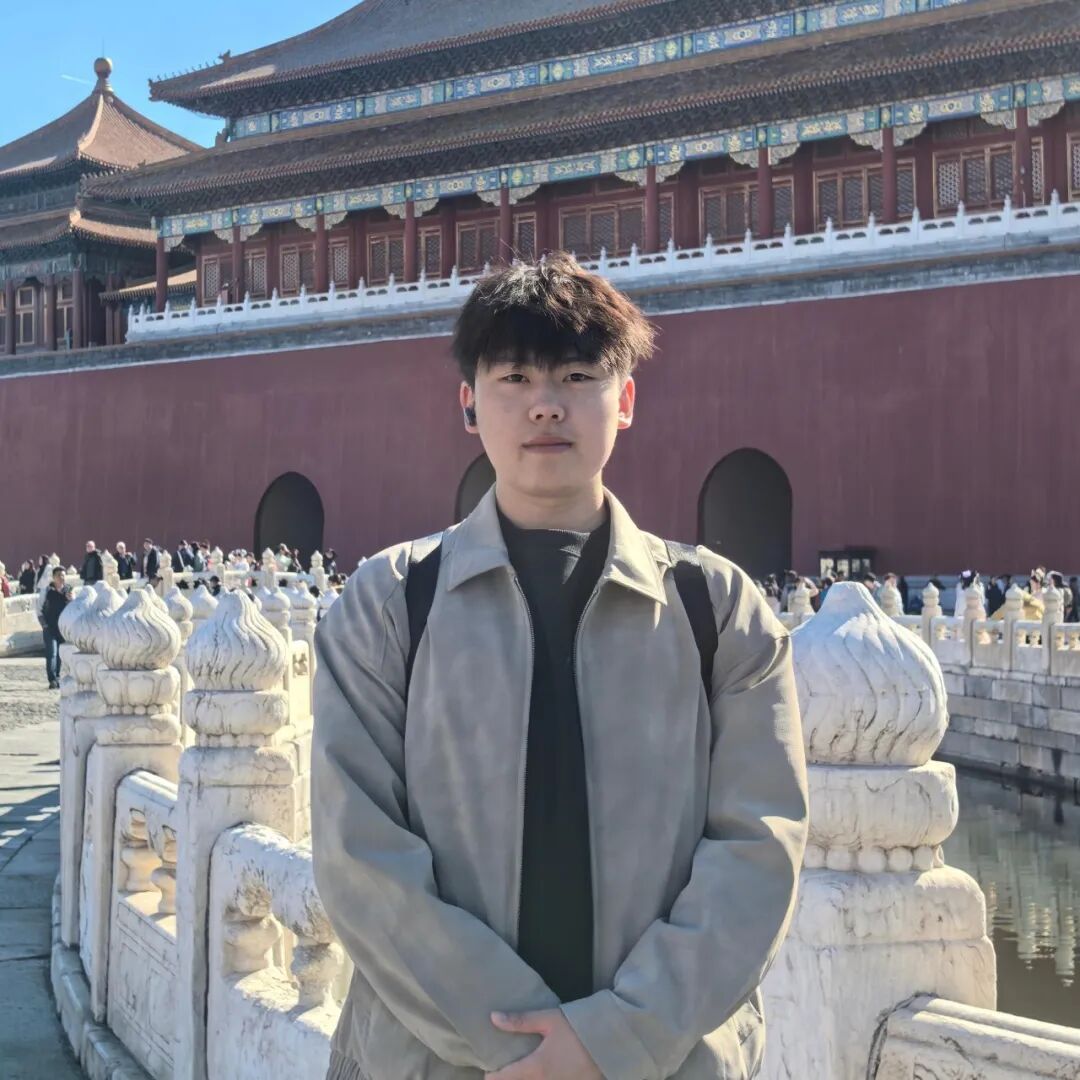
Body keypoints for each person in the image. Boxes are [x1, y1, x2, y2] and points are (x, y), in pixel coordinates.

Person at [311, 255, 808, 1080]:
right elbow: (357, 855)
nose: (546, 403)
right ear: (468, 404)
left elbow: (759, 851)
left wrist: (614, 1041)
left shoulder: (719, 611)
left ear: (627, 400)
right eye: (514, 377)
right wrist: (529, 1052)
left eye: (578, 376)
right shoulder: (390, 605)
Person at [39, 567, 70, 689]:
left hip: (62, 628)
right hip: (49, 627)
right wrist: (44, 625)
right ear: (53, 577)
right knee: (52, 653)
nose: (61, 578)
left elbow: (74, 607)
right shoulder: (47, 591)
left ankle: (57, 677)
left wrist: (71, 599)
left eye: (63, 575)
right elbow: (39, 609)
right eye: (59, 575)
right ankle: (52, 679)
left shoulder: (68, 590)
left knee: (59, 655)